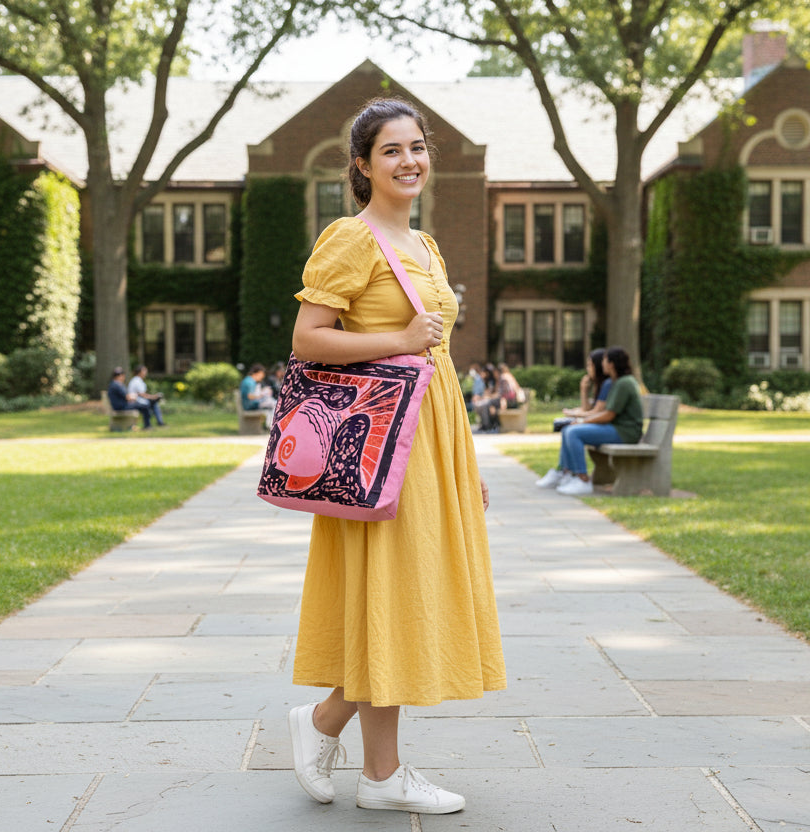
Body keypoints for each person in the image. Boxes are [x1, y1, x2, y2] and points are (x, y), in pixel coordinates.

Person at [285, 97, 505, 816]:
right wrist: (398, 339)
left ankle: (334, 735)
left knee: (409, 599)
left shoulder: (428, 246)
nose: (410, 160)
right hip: (383, 446)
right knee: (396, 599)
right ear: (362, 164)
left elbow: (436, 359)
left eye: (418, 147)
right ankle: (378, 773)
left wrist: (464, 467)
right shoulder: (352, 238)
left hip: (434, 440)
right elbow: (308, 341)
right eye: (391, 151)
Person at [536, 346, 644, 496]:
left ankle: (583, 480)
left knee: (573, 432)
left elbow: (608, 415)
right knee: (569, 429)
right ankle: (571, 474)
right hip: (617, 429)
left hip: (625, 432)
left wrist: (581, 421)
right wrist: (581, 420)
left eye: (605, 360)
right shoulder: (619, 382)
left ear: (612, 364)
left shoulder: (624, 383)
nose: (603, 364)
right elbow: (605, 413)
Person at [240, 363, 276, 429]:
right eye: (262, 374)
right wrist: (262, 394)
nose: (263, 376)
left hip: (250, 404)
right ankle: (272, 426)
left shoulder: (248, 380)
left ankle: (270, 425)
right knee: (275, 404)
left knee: (273, 404)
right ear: (258, 373)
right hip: (250, 406)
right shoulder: (250, 382)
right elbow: (250, 396)